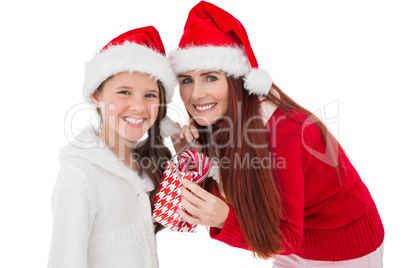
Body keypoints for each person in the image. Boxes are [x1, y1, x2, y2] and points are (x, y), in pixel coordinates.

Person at [169, 1, 385, 267]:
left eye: (210, 77)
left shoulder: (285, 132)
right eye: (186, 80)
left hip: (343, 247)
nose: (196, 94)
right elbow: (231, 195)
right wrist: (195, 157)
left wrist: (225, 219)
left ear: (236, 80)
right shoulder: (217, 121)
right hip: (288, 243)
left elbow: (284, 234)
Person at [47, 26, 177, 268]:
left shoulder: (146, 165)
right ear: (97, 95)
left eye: (150, 96)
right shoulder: (80, 175)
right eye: (124, 92)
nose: (138, 107)